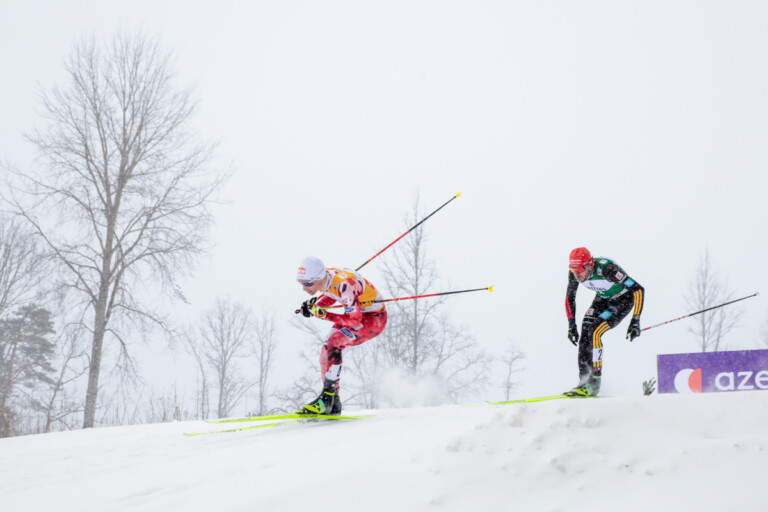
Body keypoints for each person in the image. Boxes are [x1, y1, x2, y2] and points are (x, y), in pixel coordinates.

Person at [296, 256, 388, 415]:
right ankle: (333, 402)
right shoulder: (327, 278)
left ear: (318, 277)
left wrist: (323, 314)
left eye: (308, 283)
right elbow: (332, 295)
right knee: (326, 353)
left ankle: (327, 399)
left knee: (334, 342)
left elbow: (354, 320)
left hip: (373, 319)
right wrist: (316, 306)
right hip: (360, 314)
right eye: (301, 282)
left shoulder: (345, 286)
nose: (305, 288)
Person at [564, 247, 644, 397]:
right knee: (585, 333)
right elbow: (570, 298)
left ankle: (594, 384)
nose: (577, 275)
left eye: (579, 270)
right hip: (603, 299)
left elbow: (638, 289)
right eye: (573, 270)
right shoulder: (575, 273)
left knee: (595, 331)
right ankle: (583, 383)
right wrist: (571, 325)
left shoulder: (607, 269)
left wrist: (635, 321)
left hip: (623, 301)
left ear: (589, 265)